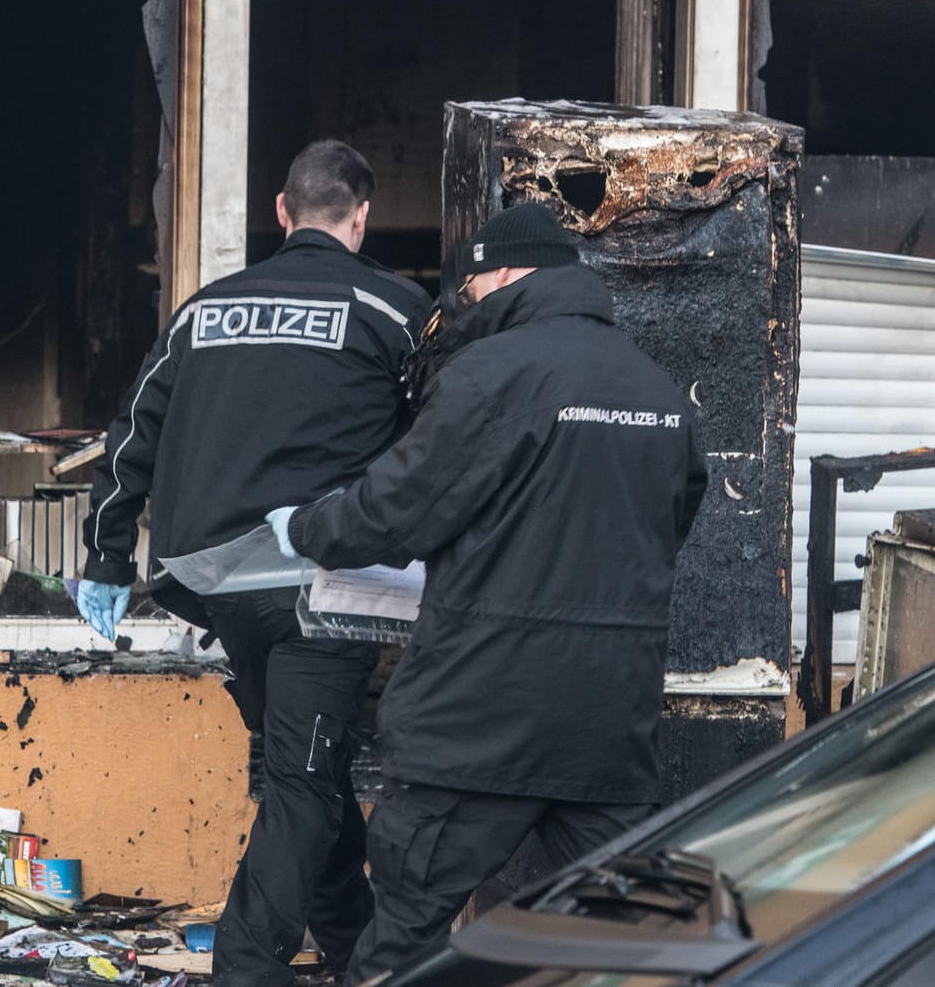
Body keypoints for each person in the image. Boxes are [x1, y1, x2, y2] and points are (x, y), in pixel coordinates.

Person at [266, 201, 708, 984]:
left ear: (501, 273)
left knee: (403, 942)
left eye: (467, 285)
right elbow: (667, 529)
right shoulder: (661, 393)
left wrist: (303, 527)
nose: (463, 302)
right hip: (606, 727)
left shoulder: (491, 374)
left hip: (478, 724)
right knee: (626, 946)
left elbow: (391, 513)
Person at [73, 140, 431, 985]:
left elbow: (130, 438)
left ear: (281, 210)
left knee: (309, 768)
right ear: (361, 216)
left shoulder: (204, 309)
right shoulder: (394, 309)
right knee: (302, 784)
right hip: (327, 584)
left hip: (218, 582)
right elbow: (440, 446)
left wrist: (107, 557)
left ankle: (359, 956)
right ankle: (245, 970)